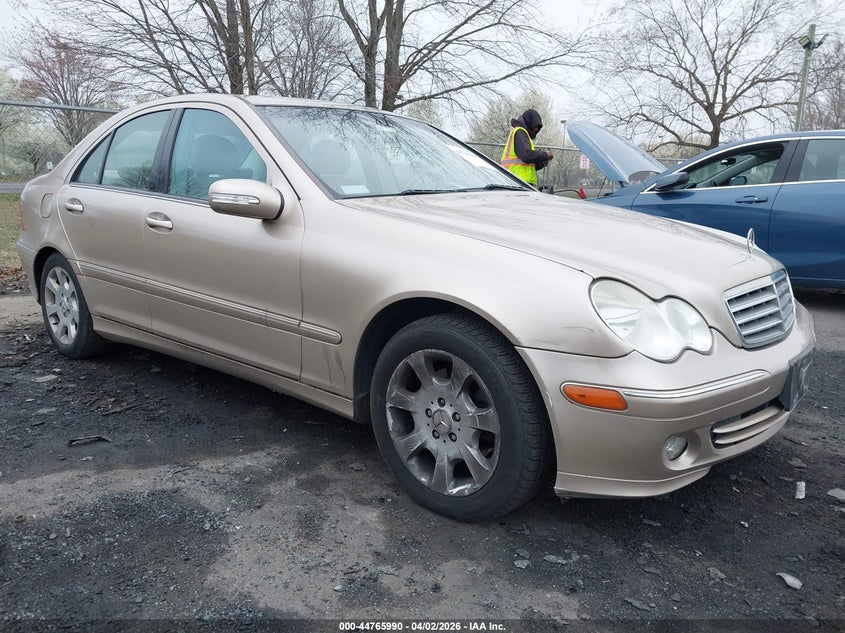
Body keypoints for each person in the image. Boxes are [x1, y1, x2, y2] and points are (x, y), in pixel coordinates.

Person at [500, 109, 553, 186]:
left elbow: (527, 164)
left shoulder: (525, 135)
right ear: (530, 122)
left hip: (519, 181)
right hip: (516, 181)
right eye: (536, 126)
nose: (536, 130)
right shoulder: (520, 132)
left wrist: (541, 161)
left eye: (538, 128)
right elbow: (527, 156)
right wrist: (545, 155)